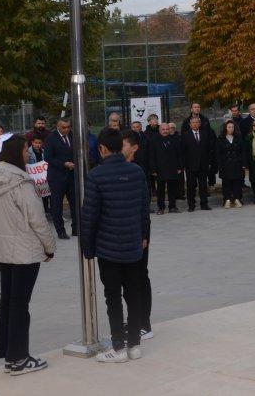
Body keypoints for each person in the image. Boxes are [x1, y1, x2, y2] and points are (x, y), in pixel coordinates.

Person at [0, 133, 55, 376]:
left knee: (8, 302)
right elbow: (37, 219)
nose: (27, 154)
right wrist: (49, 246)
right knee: (20, 305)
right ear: (16, 153)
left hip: (2, 249)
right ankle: (19, 357)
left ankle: (10, 356)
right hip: (23, 250)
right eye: (24, 151)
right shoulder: (21, 182)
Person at [81, 128, 150, 363]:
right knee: (134, 294)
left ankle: (118, 347)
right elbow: (144, 209)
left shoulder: (96, 176)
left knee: (113, 297)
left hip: (108, 248)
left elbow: (89, 216)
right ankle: (134, 345)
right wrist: (144, 236)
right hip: (133, 245)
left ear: (102, 148)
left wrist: (87, 248)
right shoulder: (137, 171)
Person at [121, 131, 155, 342]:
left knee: (140, 277)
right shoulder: (122, 167)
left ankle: (144, 323)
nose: (120, 148)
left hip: (139, 233)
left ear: (133, 147)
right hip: (127, 233)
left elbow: (143, 207)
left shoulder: (137, 169)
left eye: (123, 144)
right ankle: (134, 318)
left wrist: (144, 234)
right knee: (128, 279)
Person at [44, 118, 77, 239]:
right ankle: (60, 231)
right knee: (57, 205)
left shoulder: (73, 136)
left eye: (68, 127)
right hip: (57, 177)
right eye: (64, 127)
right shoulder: (51, 138)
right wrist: (63, 164)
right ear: (58, 126)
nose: (67, 129)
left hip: (71, 175)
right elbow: (48, 157)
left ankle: (76, 228)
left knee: (75, 203)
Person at [181, 115, 214, 211]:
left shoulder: (205, 134)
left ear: (199, 124)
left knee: (203, 186)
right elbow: (183, 151)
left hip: (203, 164)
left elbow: (208, 149)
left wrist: (209, 162)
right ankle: (191, 205)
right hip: (190, 165)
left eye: (197, 122)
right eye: (193, 123)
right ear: (190, 124)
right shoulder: (185, 135)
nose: (195, 124)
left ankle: (204, 204)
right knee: (191, 186)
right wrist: (184, 164)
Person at [150, 124, 183, 214]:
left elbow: (179, 154)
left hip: (173, 168)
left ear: (169, 130)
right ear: (160, 130)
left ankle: (172, 207)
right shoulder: (154, 140)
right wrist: (153, 170)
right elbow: (152, 156)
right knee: (160, 190)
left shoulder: (175, 139)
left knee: (172, 189)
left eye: (166, 129)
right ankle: (161, 208)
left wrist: (180, 167)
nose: (165, 131)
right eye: (163, 129)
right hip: (160, 169)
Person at [216, 120, 247, 208]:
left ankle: (237, 199)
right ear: (225, 128)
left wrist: (244, 163)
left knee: (237, 182)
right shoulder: (220, 139)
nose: (231, 129)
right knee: (226, 183)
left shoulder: (238, 138)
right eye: (229, 127)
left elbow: (243, 151)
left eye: (232, 127)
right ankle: (227, 199)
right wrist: (219, 166)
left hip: (237, 164)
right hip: (225, 165)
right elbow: (218, 154)